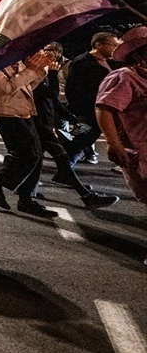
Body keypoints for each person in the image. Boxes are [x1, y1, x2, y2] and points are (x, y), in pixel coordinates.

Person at [32, 45, 118, 209]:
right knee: (59, 156)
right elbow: (51, 94)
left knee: (37, 157)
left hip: (48, 119)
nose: (48, 55)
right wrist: (52, 74)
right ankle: (86, 196)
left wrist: (69, 117)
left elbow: (53, 100)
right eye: (43, 52)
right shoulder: (36, 72)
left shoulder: (43, 70)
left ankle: (24, 190)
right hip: (41, 121)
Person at [0, 51, 61, 218]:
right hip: (6, 113)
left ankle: (26, 198)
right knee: (29, 154)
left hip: (23, 112)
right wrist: (30, 69)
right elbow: (8, 88)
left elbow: (27, 86)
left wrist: (40, 69)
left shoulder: (15, 63)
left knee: (35, 156)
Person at [95, 26, 147, 214]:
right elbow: (105, 108)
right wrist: (113, 143)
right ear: (138, 54)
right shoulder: (125, 77)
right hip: (140, 150)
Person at [66, 31, 121, 164]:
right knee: (82, 138)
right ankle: (66, 166)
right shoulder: (82, 62)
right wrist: (79, 109)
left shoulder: (112, 63)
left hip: (104, 108)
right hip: (88, 109)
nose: (115, 48)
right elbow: (72, 88)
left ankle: (66, 167)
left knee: (85, 139)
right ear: (98, 44)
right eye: (112, 45)